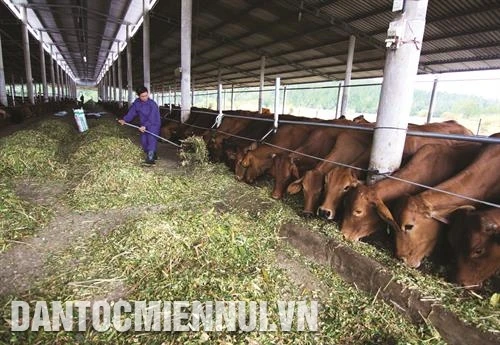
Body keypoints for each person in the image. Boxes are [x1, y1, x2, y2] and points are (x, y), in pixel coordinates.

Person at [118, 86, 161, 165]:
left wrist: (145, 126)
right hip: (143, 125)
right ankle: (153, 155)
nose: (145, 97)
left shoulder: (153, 104)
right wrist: (125, 119)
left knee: (151, 140)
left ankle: (150, 159)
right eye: (142, 96)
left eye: (146, 95)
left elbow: (152, 117)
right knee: (144, 141)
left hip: (153, 124)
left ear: (148, 94)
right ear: (138, 96)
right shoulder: (137, 103)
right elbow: (131, 113)